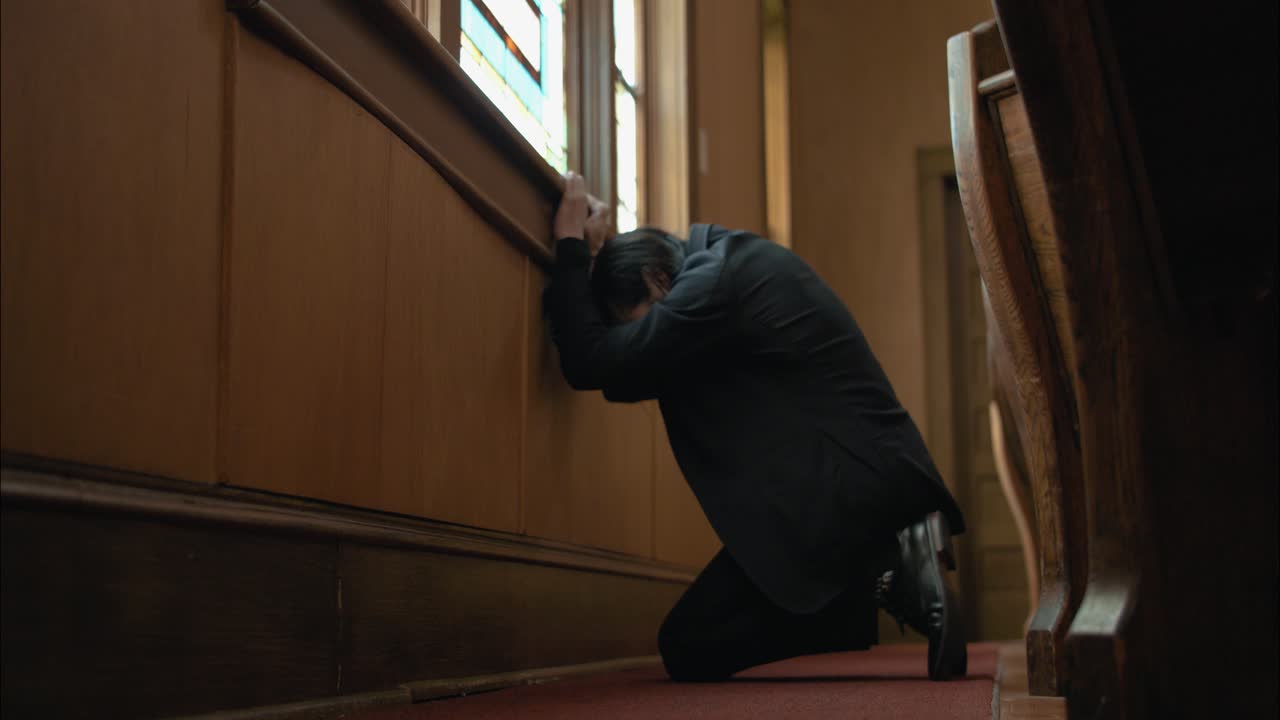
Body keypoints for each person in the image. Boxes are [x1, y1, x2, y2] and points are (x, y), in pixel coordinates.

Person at [543, 172, 968, 682]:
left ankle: (887, 564)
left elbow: (595, 362)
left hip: (848, 491)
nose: (646, 343)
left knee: (689, 645)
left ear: (657, 281)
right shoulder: (717, 269)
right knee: (690, 644)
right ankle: (883, 574)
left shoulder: (713, 282)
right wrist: (594, 260)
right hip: (847, 484)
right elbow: (623, 365)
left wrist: (569, 243)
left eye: (637, 325)